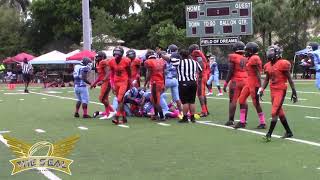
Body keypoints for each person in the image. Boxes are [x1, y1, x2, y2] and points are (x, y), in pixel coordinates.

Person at [258, 45, 297, 142]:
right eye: (269, 51)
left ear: (277, 53)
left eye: (272, 51)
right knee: (279, 112)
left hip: (281, 90)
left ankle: (268, 135)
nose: (270, 53)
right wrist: (262, 89)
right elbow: (267, 79)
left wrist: (294, 91)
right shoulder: (267, 65)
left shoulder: (283, 63)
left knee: (274, 112)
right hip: (273, 90)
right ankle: (289, 132)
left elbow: (290, 79)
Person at [235, 42, 266, 129]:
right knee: (241, 100)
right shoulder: (251, 57)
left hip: (254, 83)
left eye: (247, 50)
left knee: (256, 103)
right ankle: (242, 122)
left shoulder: (254, 58)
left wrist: (260, 87)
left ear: (251, 50)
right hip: (249, 82)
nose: (246, 51)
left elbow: (257, 73)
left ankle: (263, 123)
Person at [173, 49, 203, 123]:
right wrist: (198, 78)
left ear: (181, 56)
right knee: (192, 101)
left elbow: (172, 61)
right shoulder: (194, 62)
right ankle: (193, 118)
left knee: (185, 102)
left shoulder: (179, 62)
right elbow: (200, 71)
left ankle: (185, 118)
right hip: (193, 82)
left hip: (183, 82)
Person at [223, 41, 248, 126]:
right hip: (246, 80)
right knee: (244, 101)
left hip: (236, 81)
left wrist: (226, 83)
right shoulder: (246, 58)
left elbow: (230, 71)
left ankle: (231, 120)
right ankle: (243, 120)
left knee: (233, 100)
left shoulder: (233, 57)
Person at [107, 47, 131, 125]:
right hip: (116, 82)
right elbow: (111, 74)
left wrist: (129, 82)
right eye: (115, 53)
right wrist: (112, 84)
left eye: (118, 53)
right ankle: (124, 118)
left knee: (119, 99)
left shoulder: (126, 61)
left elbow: (129, 72)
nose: (116, 55)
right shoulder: (111, 61)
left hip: (124, 81)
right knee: (120, 100)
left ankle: (117, 117)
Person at [91, 51, 116, 120]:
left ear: (102, 57)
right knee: (105, 99)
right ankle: (107, 114)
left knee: (101, 98)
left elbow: (109, 72)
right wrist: (94, 83)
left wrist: (102, 81)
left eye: (98, 57)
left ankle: (113, 111)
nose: (96, 58)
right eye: (96, 56)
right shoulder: (98, 63)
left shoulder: (103, 62)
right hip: (104, 82)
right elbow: (100, 76)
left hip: (107, 82)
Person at [144, 50, 166, 121]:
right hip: (161, 82)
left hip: (155, 83)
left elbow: (149, 73)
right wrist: (164, 84)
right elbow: (163, 73)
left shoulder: (148, 62)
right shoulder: (161, 61)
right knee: (153, 99)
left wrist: (145, 83)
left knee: (156, 100)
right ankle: (156, 115)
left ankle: (162, 116)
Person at [189, 44, 210, 117]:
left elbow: (201, 65)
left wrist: (200, 75)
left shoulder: (197, 54)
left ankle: (204, 111)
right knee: (203, 94)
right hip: (204, 75)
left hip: (201, 76)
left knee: (200, 94)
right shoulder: (199, 54)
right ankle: (206, 110)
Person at [163, 44, 183, 118]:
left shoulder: (167, 56)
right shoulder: (178, 57)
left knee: (159, 95)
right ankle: (181, 113)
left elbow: (163, 68)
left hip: (167, 79)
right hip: (175, 79)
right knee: (177, 98)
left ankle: (165, 110)